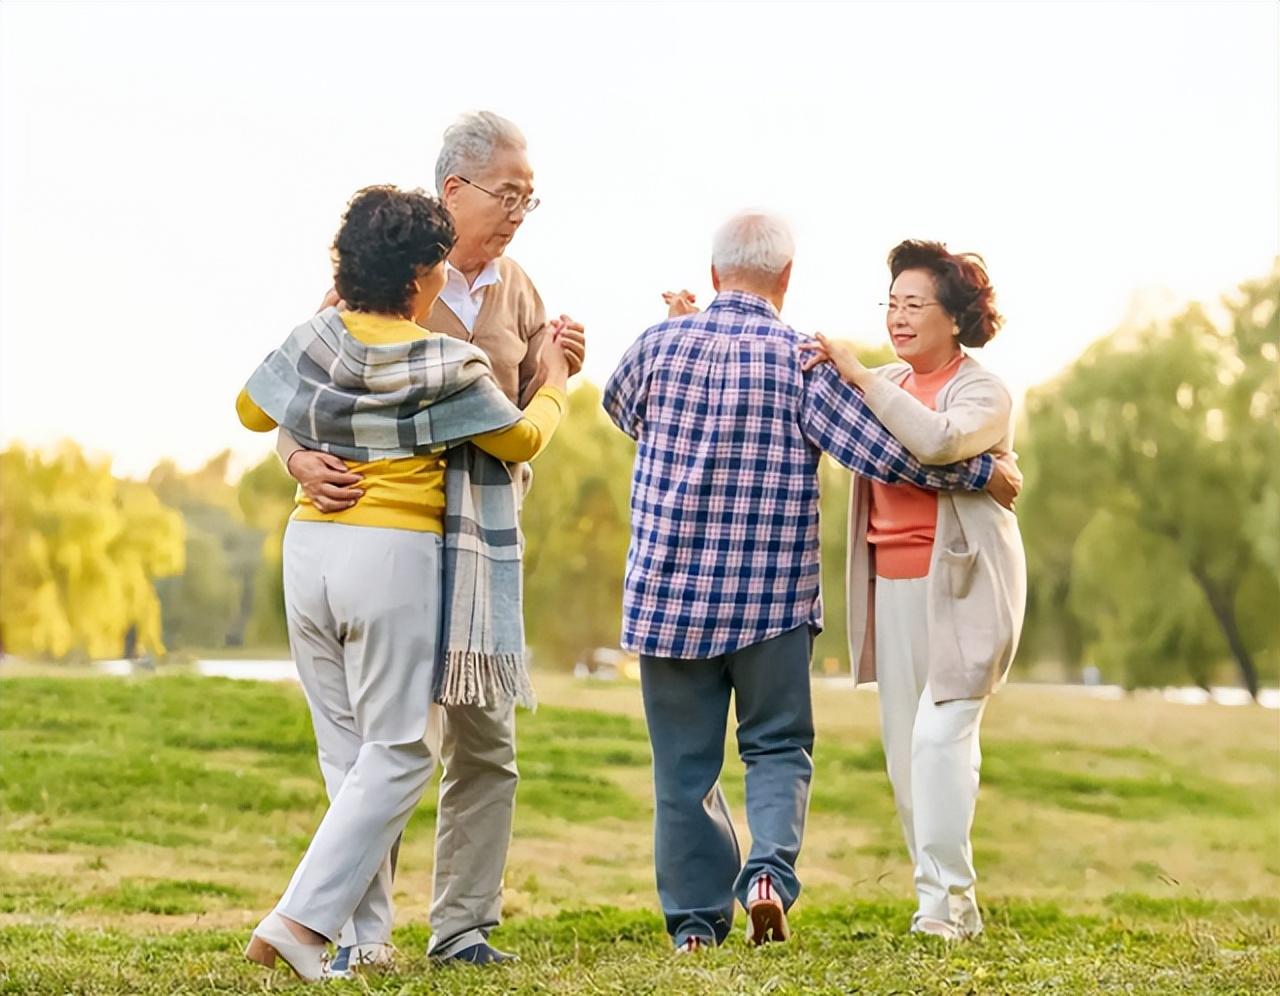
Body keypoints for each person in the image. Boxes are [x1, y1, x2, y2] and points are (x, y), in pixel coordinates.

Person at [602, 213, 1021, 954]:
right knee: (775, 747)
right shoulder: (797, 363)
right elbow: (882, 454)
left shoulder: (656, 345)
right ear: (785, 281)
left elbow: (620, 408)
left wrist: (681, 358)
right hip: (770, 605)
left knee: (682, 770)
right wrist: (985, 471)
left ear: (712, 275)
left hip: (666, 600)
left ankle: (696, 929)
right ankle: (765, 877)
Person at [236, 185, 570, 980]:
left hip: (309, 545)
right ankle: (299, 920)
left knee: (346, 755)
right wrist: (555, 376)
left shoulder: (316, 337)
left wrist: (299, 441)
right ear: (422, 275)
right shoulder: (444, 360)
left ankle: (361, 940)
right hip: (391, 556)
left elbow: (252, 410)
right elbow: (521, 436)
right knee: (401, 753)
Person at [799, 239, 1027, 940]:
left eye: (914, 304)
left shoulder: (982, 390)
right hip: (892, 589)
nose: (898, 317)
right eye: (891, 303)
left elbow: (931, 442)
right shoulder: (888, 378)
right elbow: (838, 407)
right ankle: (948, 901)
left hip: (965, 590)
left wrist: (861, 378)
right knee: (910, 757)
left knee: (938, 740)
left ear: (954, 318)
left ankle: (943, 903)